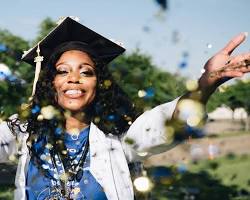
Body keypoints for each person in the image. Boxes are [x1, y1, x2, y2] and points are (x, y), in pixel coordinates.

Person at [0, 16, 250, 200]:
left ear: (98, 83)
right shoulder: (23, 131)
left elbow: (169, 123)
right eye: (62, 71)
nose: (74, 78)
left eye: (86, 72)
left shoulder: (118, 135)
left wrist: (207, 82)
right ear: (49, 82)